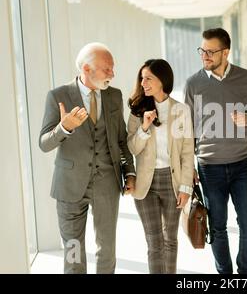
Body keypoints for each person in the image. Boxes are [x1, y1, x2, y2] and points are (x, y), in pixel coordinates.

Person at [39, 42, 136, 274]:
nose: (112, 74)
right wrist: (64, 128)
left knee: (107, 248)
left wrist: (129, 172)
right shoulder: (58, 96)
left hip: (106, 183)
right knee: (73, 250)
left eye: (112, 68)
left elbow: (121, 139)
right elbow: (44, 143)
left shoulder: (114, 96)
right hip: (69, 186)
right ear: (86, 69)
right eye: (107, 69)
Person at [184, 28, 247, 274]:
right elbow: (187, 130)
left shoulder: (246, 77)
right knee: (218, 226)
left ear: (226, 52)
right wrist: (189, 167)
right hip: (209, 167)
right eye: (202, 51)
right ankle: (225, 274)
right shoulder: (194, 83)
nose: (205, 56)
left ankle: (244, 272)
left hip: (242, 164)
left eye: (210, 51)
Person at [127, 59, 194, 274]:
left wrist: (186, 188)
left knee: (170, 240)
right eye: (142, 78)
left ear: (162, 80)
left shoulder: (181, 110)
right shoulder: (137, 111)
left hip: (172, 182)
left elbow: (187, 151)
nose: (143, 82)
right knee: (154, 243)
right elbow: (132, 148)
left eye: (149, 78)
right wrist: (144, 127)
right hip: (146, 183)